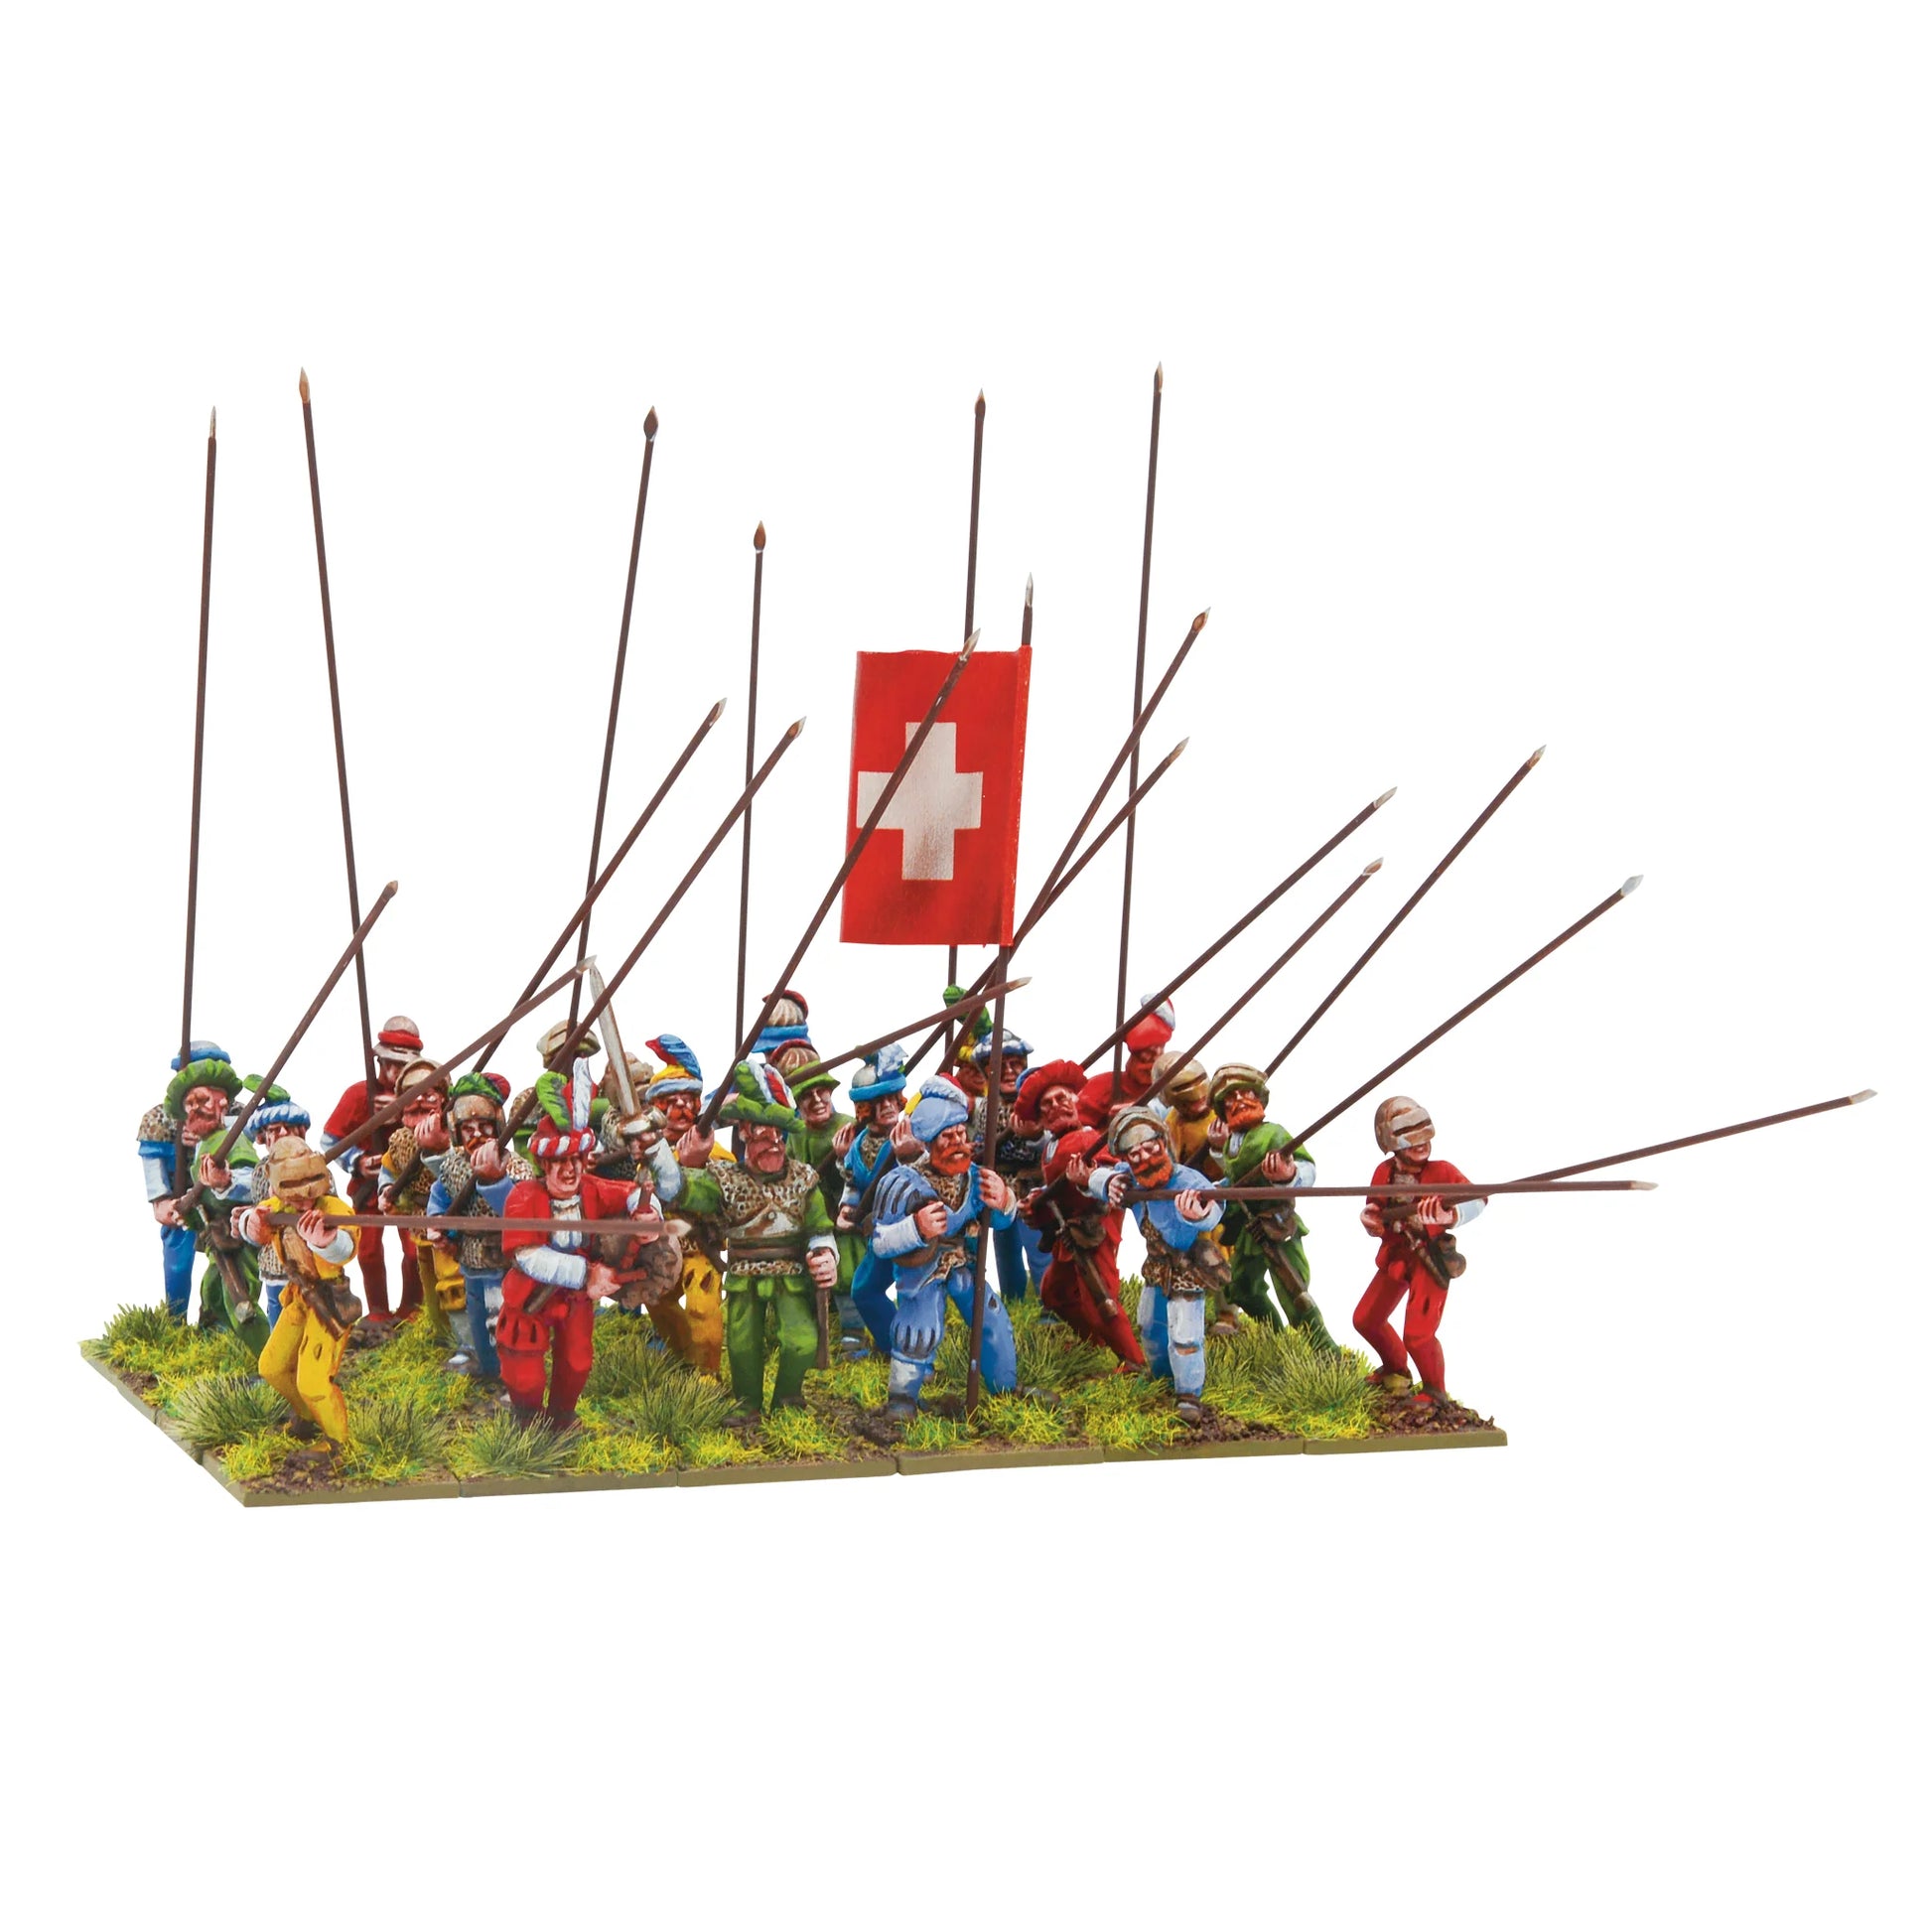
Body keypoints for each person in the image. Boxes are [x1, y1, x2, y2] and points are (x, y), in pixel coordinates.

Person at [659, 1060, 841, 1427]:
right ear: (743, 1133)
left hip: (791, 1273)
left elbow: (819, 1226)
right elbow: (681, 1190)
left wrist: (825, 1253)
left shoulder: (804, 1178)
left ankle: (788, 1399)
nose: (772, 1143)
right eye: (761, 1134)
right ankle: (747, 1405)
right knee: (742, 1345)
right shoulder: (725, 1178)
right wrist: (668, 1156)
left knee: (802, 1340)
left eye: (779, 1134)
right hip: (743, 1273)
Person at [496, 1059, 661, 1428]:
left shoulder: (589, 1189)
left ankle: (562, 1417)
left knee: (577, 1362)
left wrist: (648, 1214)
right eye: (560, 1161)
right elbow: (528, 1256)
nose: (570, 1169)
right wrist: (586, 1273)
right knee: (524, 1372)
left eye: (576, 1159)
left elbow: (630, 1193)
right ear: (543, 1163)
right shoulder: (523, 1197)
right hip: (530, 1298)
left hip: (574, 1300)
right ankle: (527, 1418)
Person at [869, 1075, 1018, 1423]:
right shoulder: (902, 1183)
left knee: (991, 1317)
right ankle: (902, 1398)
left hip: (963, 1265)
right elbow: (880, 1242)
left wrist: (1004, 1201)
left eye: (961, 1134)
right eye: (947, 1137)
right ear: (928, 1140)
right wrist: (916, 1229)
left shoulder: (976, 1177)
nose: (958, 1144)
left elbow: (1000, 1222)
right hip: (920, 1273)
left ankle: (1005, 1387)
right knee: (918, 1329)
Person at [1092, 1105, 1224, 1425]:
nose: (1145, 1159)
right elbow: (1096, 1175)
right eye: (1135, 1155)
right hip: (1156, 1266)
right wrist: (1108, 1182)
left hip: (1187, 1267)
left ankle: (1188, 1393)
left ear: (1163, 1143)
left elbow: (1216, 1204)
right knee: (1150, 1325)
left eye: (1150, 1149)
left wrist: (1200, 1215)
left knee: (1185, 1334)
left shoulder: (1188, 1180)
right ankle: (1162, 1377)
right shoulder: (1130, 1176)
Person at [1354, 1096, 1486, 1405]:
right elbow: (1375, 1210)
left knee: (1418, 1335)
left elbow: (1478, 1199)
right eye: (1409, 1135)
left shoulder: (1443, 1172)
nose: (1421, 1144)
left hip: (1429, 1261)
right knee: (1366, 1319)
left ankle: (1434, 1391)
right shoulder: (1383, 1172)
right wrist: (1371, 1219)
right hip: (1396, 1257)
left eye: (1423, 1134)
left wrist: (1448, 1216)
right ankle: (1396, 1370)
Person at [236, 1139, 361, 1446]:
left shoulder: (334, 1210)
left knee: (314, 1382)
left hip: (329, 1303)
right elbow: (250, 1220)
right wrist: (250, 1224)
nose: (304, 1198)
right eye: (294, 1188)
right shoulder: (277, 1207)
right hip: (298, 1299)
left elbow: (346, 1247)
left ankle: (336, 1442)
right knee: (272, 1367)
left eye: (310, 1185)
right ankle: (307, 1418)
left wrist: (325, 1242)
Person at [1207, 1062, 1336, 1347]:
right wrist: (1217, 1184)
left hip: (1277, 1226)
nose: (1239, 1101)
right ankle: (1276, 1339)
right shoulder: (1232, 1142)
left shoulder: (1274, 1134)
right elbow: (1235, 1179)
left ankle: (1327, 1353)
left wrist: (1287, 1175)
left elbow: (1307, 1169)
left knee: (1295, 1293)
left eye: (1246, 1093)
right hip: (1249, 1229)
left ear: (1259, 1097)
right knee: (1241, 1288)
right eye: (1230, 1098)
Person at [424, 1073, 533, 1382]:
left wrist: (495, 1180)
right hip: (470, 1258)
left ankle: (511, 1376)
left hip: (505, 1260)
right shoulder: (454, 1165)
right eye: (467, 1129)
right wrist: (438, 1223)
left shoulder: (516, 1166)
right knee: (477, 1321)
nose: (476, 1136)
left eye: (484, 1127)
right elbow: (440, 1196)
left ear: (497, 1126)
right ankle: (486, 1369)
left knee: (504, 1321)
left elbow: (521, 1212)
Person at [320, 1015, 428, 1320]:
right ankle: (378, 1310)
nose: (392, 1073)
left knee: (415, 1250)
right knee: (367, 1251)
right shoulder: (359, 1094)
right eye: (388, 1064)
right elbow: (330, 1140)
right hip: (368, 1190)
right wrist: (357, 1161)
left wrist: (402, 1113)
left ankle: (411, 1309)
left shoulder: (422, 1093)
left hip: (409, 1188)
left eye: (400, 1066)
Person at [1020, 1123, 1144, 1369]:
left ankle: (1133, 1362)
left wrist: (1090, 1180)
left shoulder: (1087, 1138)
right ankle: (1093, 1341)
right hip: (1069, 1232)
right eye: (1048, 1105)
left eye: (1062, 1101)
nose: (1058, 1106)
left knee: (1101, 1299)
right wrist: (1035, 1201)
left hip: (1094, 1227)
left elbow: (1110, 1177)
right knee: (1055, 1292)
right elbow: (1054, 1189)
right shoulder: (1051, 1146)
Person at [136, 1038, 231, 1320]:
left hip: (223, 1199)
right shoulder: (160, 1118)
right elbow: (153, 1162)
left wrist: (214, 1131)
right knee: (178, 1263)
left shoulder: (233, 1114)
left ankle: (220, 1322)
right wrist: (161, 1200)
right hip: (181, 1202)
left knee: (228, 1262)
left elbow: (249, 1138)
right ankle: (175, 1319)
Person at [833, 1044, 912, 1355]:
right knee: (864, 1289)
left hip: (910, 1231)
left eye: (892, 1098)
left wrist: (910, 1155)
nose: (889, 1106)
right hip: (877, 1233)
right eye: (880, 1101)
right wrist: (847, 1207)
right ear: (865, 1108)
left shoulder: (911, 1134)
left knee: (911, 1293)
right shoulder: (859, 1144)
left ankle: (916, 1354)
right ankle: (892, 1344)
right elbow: (853, 1182)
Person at [971, 1029, 1048, 1302]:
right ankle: (1012, 1299)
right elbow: (978, 1140)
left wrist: (1034, 1136)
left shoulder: (1037, 1103)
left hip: (1032, 1187)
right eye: (998, 1066)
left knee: (1038, 1245)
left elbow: (1051, 1142)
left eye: (1014, 1063)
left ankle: (1050, 1301)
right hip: (1000, 1188)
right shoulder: (984, 1107)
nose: (1007, 1071)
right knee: (1005, 1246)